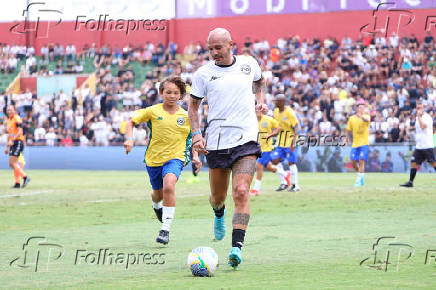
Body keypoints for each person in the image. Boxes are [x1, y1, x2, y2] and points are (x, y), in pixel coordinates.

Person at [188, 28, 268, 268]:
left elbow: (260, 82)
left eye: (218, 48)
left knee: (242, 191)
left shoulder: (248, 64)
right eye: (210, 49)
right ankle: (219, 213)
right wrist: (196, 135)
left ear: (231, 44)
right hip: (217, 144)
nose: (214, 53)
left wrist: (260, 101)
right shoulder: (203, 74)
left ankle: (236, 247)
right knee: (218, 197)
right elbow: (193, 107)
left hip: (246, 140)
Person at [124, 76, 202, 245]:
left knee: (169, 185)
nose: (172, 96)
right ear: (161, 93)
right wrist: (129, 139)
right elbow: (130, 122)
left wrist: (195, 157)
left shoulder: (187, 115)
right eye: (168, 92)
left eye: (176, 93)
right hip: (153, 160)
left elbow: (193, 137)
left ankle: (165, 229)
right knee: (158, 194)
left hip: (176, 158)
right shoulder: (152, 111)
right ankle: (156, 205)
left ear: (181, 95)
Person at [400, 102, 436, 187]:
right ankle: (410, 182)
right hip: (419, 146)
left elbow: (423, 126)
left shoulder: (427, 117)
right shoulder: (417, 118)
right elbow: (419, 130)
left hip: (427, 145)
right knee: (413, 162)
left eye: (420, 108)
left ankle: (410, 182)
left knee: (433, 163)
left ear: (423, 108)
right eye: (417, 108)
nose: (418, 109)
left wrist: (419, 116)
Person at [249, 110, 281, 196]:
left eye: (257, 111)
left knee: (259, 165)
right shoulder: (252, 121)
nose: (256, 113)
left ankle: (256, 190)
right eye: (255, 111)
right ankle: (285, 174)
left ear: (261, 112)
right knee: (270, 167)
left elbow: (278, 128)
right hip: (258, 147)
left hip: (267, 147)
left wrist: (270, 135)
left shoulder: (268, 119)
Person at [271, 94, 297, 192]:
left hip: (290, 141)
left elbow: (296, 126)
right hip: (280, 141)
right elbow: (277, 126)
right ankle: (284, 182)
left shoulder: (290, 112)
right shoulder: (276, 111)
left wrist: (294, 142)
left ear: (282, 102)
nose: (275, 102)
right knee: (275, 160)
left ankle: (295, 185)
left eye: (277, 101)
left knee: (291, 163)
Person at [4, 105, 30, 188]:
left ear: (14, 110)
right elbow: (9, 135)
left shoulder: (17, 118)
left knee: (13, 163)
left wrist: (13, 140)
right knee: (12, 164)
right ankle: (17, 183)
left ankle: (25, 177)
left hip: (18, 141)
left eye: (11, 110)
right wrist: (6, 147)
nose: (9, 111)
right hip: (12, 143)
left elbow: (19, 131)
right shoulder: (8, 121)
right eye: (8, 110)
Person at [346, 99, 370, 187]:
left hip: (364, 143)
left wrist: (361, 116)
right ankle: (361, 175)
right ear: (357, 109)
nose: (361, 109)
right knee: (353, 162)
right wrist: (347, 139)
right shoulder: (351, 119)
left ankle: (358, 181)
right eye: (360, 108)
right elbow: (348, 130)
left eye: (363, 108)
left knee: (361, 161)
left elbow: (366, 120)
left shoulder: (366, 116)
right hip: (355, 144)